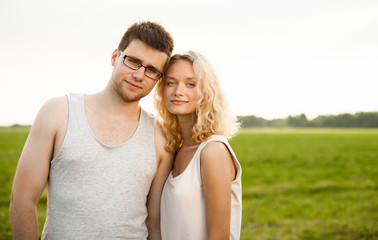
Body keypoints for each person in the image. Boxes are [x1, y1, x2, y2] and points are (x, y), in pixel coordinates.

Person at [9, 21, 174, 240]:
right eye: (133, 61)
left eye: (152, 70)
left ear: (159, 79)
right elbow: (22, 200)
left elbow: (154, 224)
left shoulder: (160, 137)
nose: (139, 75)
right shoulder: (58, 112)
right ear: (115, 57)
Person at [153, 51, 242, 239]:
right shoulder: (175, 148)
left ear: (206, 91)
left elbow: (219, 236)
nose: (178, 91)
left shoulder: (213, 150)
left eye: (190, 84)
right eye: (171, 82)